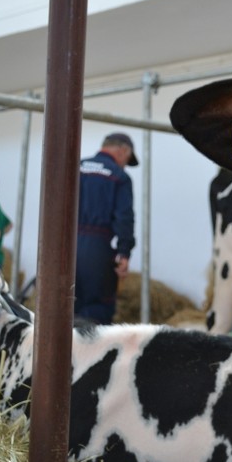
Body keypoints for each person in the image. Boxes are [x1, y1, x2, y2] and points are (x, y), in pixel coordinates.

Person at [74, 132, 138, 324]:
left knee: (64, 305)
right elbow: (124, 218)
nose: (125, 164)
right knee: (97, 310)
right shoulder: (119, 177)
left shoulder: (73, 167)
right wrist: (124, 252)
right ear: (122, 150)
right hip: (97, 250)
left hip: (65, 247)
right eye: (127, 159)